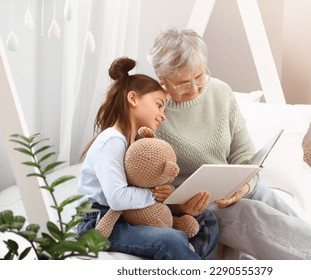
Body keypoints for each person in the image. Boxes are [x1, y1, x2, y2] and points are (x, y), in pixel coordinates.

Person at [147, 27, 311, 260]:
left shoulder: (220, 92)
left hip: (224, 193)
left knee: (265, 196)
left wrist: (243, 187)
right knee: (247, 212)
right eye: (182, 83)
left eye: (200, 76)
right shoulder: (150, 112)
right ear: (161, 78)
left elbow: (244, 154)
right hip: (187, 208)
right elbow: (143, 181)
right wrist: (181, 206)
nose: (195, 88)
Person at [76, 56, 219, 260]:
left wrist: (166, 197)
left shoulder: (134, 143)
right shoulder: (112, 140)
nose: (163, 115)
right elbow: (117, 198)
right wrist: (153, 194)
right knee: (170, 239)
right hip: (98, 222)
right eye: (159, 105)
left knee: (206, 220)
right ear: (133, 99)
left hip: (127, 215)